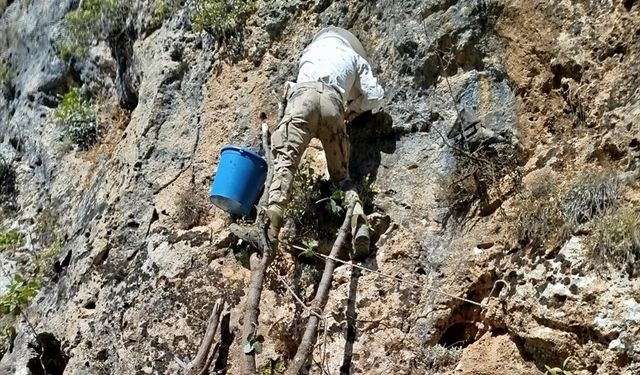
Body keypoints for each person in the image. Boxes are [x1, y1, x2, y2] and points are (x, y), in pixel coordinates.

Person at [230, 26, 384, 258]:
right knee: (342, 177)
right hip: (334, 103)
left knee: (285, 166)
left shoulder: (311, 50)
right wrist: (350, 110)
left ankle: (268, 235)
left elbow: (297, 85)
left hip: (302, 100)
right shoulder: (353, 56)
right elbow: (374, 95)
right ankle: (359, 224)